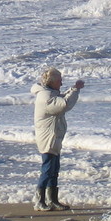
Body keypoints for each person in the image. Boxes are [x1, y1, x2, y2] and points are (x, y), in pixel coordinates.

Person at [31, 68, 84, 211]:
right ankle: (39, 201)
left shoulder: (50, 93)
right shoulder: (45, 96)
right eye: (60, 81)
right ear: (53, 81)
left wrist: (73, 89)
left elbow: (61, 97)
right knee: (47, 169)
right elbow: (64, 105)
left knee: (54, 169)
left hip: (54, 137)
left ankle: (52, 200)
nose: (61, 84)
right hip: (48, 138)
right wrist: (76, 90)